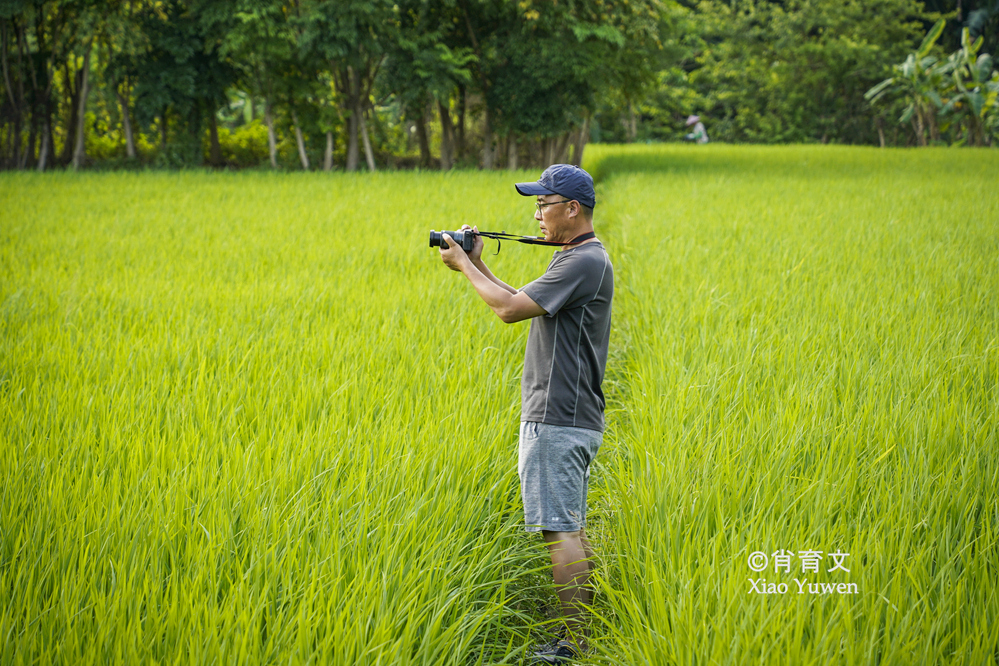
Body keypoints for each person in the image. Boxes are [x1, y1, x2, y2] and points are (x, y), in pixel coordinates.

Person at [437, 163, 613, 665]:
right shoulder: (579, 258)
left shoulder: (582, 260)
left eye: (544, 204)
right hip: (565, 411)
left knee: (560, 531)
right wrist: (479, 264)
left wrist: (464, 268)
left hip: (558, 413)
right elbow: (521, 299)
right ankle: (581, 637)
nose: (536, 213)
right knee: (567, 528)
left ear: (572, 208)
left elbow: (509, 311)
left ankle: (573, 646)